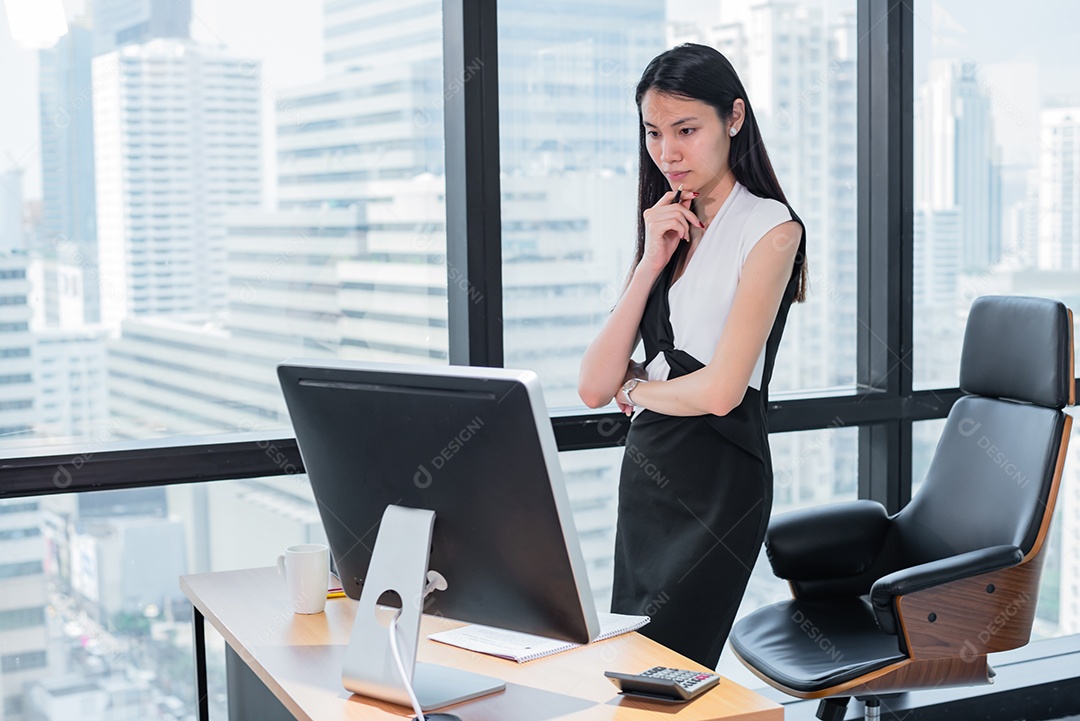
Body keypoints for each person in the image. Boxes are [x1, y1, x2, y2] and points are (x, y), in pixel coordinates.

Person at [578, 43, 807, 669]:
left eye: (686, 130)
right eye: (654, 133)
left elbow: (720, 391)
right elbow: (594, 385)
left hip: (718, 476)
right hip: (650, 471)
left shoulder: (771, 228)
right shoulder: (665, 225)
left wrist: (638, 391)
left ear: (734, 118)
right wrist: (652, 259)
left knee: (669, 666)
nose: (668, 152)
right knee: (633, 669)